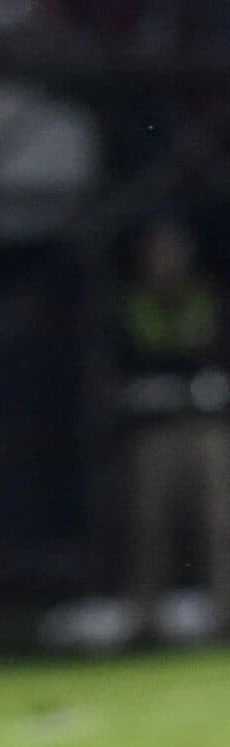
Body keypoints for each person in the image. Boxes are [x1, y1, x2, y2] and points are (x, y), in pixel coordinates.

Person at [116, 218, 229, 642]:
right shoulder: (135, 304)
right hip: (155, 430)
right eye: (159, 252)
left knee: (219, 523)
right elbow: (136, 357)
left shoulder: (205, 297)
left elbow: (211, 351)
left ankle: (224, 615)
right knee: (149, 526)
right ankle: (146, 622)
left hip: (206, 426)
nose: (167, 261)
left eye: (174, 251)